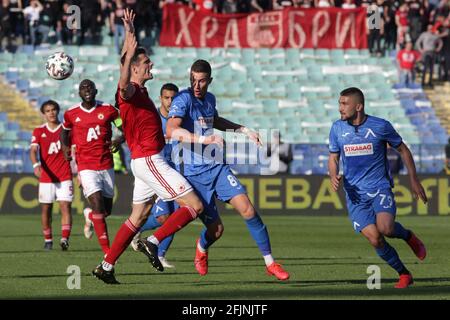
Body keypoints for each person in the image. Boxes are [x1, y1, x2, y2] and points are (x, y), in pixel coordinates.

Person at [92, 9, 204, 284]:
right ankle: (153, 242)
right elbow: (122, 83)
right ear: (133, 68)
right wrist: (129, 53)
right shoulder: (129, 90)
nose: (150, 63)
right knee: (194, 206)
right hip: (151, 160)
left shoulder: (140, 92)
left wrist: (131, 33)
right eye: (145, 62)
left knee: (138, 217)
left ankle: (106, 266)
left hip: (144, 161)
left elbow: (135, 126)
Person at [161, 59, 289, 280]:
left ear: (210, 80)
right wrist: (203, 139)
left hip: (217, 168)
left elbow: (216, 120)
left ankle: (270, 262)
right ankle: (201, 247)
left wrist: (242, 129)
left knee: (248, 209)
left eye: (202, 81)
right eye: (193, 80)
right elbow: (172, 130)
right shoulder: (183, 99)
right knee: (216, 231)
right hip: (195, 175)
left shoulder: (210, 99)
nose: (197, 85)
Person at [328, 87, 428, 289]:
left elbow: (404, 150)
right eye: (339, 103)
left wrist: (414, 179)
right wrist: (333, 174)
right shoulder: (337, 128)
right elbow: (333, 157)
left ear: (358, 106)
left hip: (379, 187)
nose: (340, 108)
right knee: (375, 239)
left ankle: (408, 236)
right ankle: (404, 273)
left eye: (344, 103)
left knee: (386, 228)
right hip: (354, 193)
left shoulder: (380, 126)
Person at [60, 79, 120, 255]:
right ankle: (108, 252)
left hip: (106, 163)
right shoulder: (71, 113)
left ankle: (89, 216)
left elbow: (123, 127)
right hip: (86, 165)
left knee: (105, 210)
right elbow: (64, 131)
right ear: (79, 93)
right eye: (82, 88)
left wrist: (118, 139)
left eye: (89, 87)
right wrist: (65, 148)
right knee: (97, 203)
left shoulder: (108, 110)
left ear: (96, 90)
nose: (86, 90)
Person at [129, 83, 181, 269]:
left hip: (173, 171)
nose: (170, 101)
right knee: (164, 218)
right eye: (167, 98)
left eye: (174, 98)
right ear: (161, 98)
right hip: (153, 169)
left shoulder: (179, 119)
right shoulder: (153, 117)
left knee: (176, 215)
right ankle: (137, 231)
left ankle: (159, 252)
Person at [30, 100, 73, 251]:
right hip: (47, 178)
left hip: (64, 175)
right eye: (48, 111)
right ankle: (48, 239)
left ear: (57, 111)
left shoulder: (66, 129)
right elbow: (33, 150)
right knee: (46, 210)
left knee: (65, 206)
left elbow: (74, 148)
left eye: (53, 110)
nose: (51, 113)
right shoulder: (38, 131)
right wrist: (36, 165)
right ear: (44, 114)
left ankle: (64, 239)